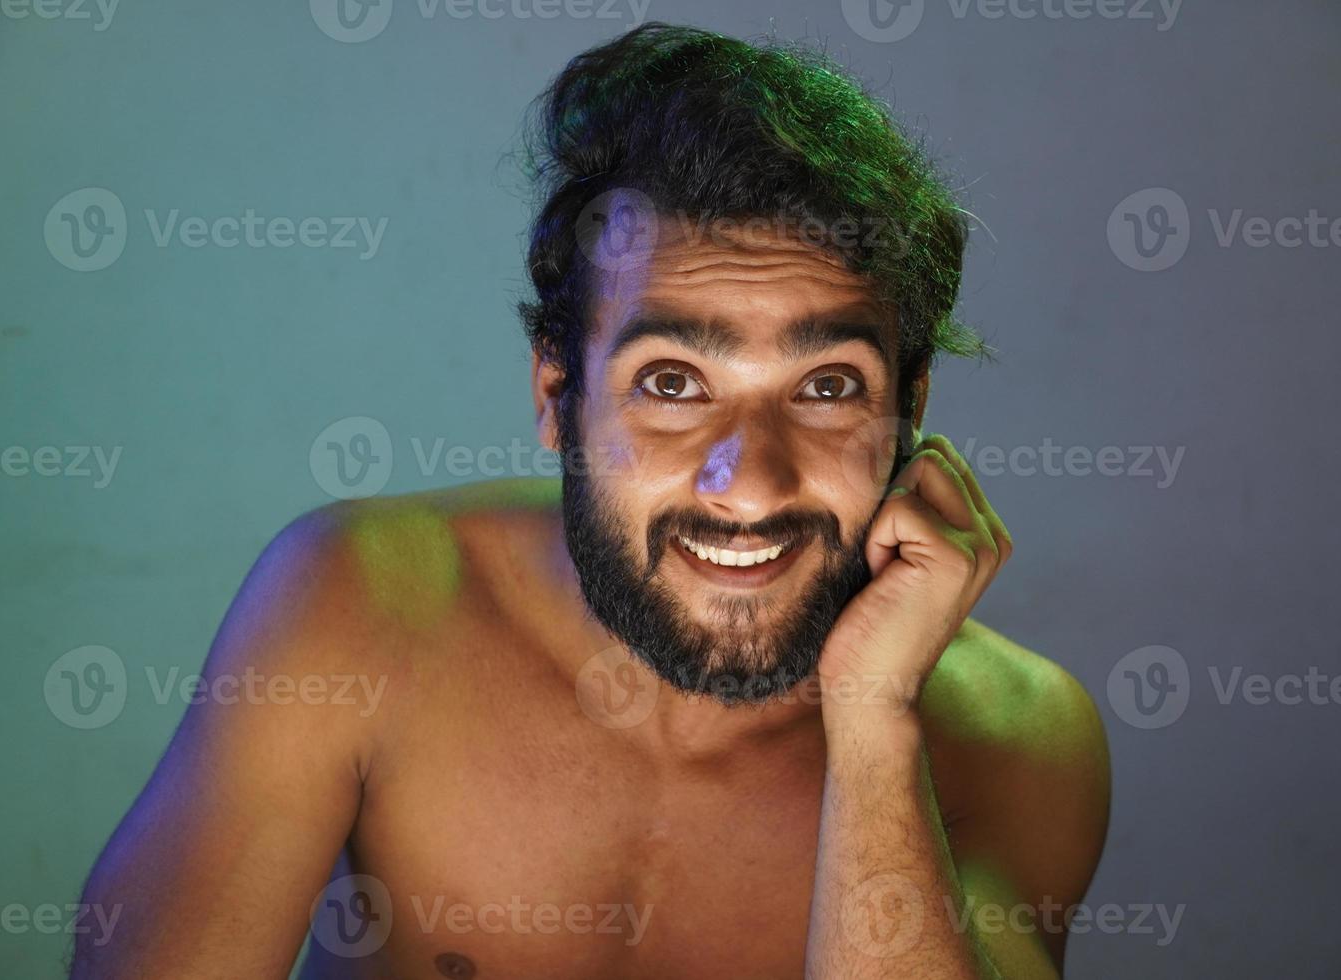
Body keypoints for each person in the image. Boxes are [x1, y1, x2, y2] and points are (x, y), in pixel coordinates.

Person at [72, 23, 1110, 980]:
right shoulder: (363, 605)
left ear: (910, 411)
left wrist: (876, 724)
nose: (750, 483)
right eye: (671, 384)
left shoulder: (1016, 735)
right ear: (558, 397)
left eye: (827, 387)